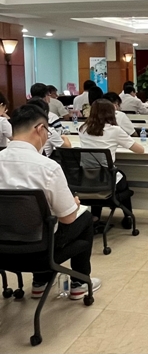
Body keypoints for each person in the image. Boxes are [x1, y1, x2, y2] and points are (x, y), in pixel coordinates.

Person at [0, 104, 100, 299]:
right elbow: (68, 219)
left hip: (2, 249)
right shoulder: (47, 167)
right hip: (39, 250)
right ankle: (79, 283)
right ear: (40, 129)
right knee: (85, 218)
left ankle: (41, 281)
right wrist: (74, 204)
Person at [78, 99, 144, 227]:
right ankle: (128, 217)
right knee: (122, 179)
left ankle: (96, 216)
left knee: (99, 175)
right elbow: (140, 150)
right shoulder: (115, 130)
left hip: (87, 178)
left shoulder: (82, 129)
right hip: (107, 180)